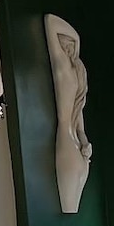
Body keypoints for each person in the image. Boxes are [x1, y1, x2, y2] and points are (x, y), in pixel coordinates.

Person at [45, 13, 92, 214]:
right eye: (68, 44)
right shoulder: (62, 66)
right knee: (69, 202)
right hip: (66, 134)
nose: (71, 48)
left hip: (73, 135)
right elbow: (50, 21)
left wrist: (84, 139)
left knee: (74, 198)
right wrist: (76, 39)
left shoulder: (75, 74)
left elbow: (78, 112)